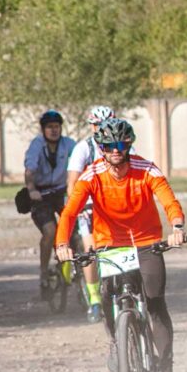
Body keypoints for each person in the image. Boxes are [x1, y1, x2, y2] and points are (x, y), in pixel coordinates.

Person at [55, 118, 187, 372]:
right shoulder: (91, 175)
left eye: (121, 145)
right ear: (100, 148)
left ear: (129, 145)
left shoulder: (147, 169)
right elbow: (69, 212)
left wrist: (176, 227)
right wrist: (63, 243)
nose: (115, 150)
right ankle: (116, 340)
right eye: (109, 146)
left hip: (146, 241)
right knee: (106, 294)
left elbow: (169, 201)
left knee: (155, 303)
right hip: (110, 244)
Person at [65, 105, 117, 322]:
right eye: (98, 125)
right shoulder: (83, 148)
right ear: (92, 126)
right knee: (91, 249)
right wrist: (79, 206)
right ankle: (95, 299)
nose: (102, 129)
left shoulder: (120, 146)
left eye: (106, 125)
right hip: (87, 205)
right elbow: (72, 184)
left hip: (113, 204)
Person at [23, 109, 76, 293]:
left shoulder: (68, 144)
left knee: (75, 229)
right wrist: (31, 190)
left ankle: (75, 268)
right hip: (42, 194)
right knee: (50, 230)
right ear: (43, 129)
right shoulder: (37, 145)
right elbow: (30, 170)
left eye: (57, 127)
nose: (54, 130)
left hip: (61, 192)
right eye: (50, 127)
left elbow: (80, 162)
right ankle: (44, 271)